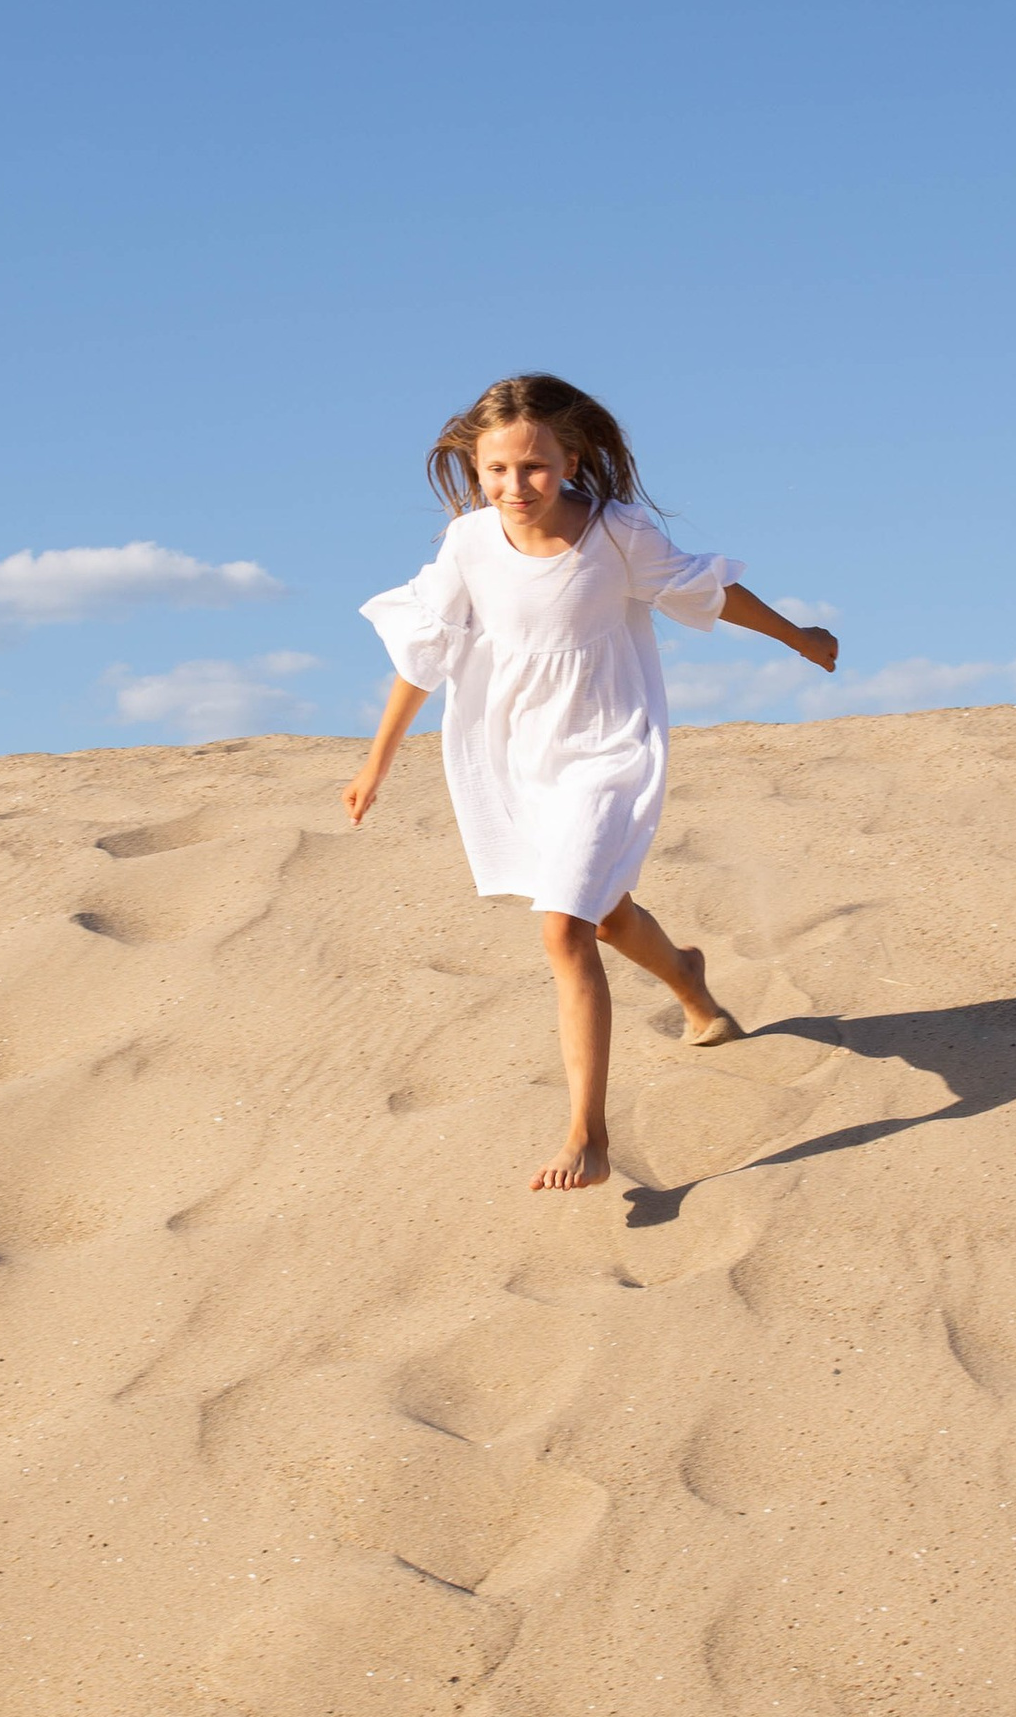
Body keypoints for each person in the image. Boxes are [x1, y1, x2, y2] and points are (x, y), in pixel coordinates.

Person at [346, 373, 839, 1193]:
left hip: (608, 749)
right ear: (475, 468)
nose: (515, 486)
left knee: (563, 929)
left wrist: (797, 637)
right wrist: (376, 762)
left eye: (534, 467)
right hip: (520, 757)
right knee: (606, 917)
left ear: (571, 460)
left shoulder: (616, 532)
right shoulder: (469, 544)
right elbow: (424, 651)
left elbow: (705, 589)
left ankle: (588, 1137)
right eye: (496, 470)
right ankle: (688, 980)